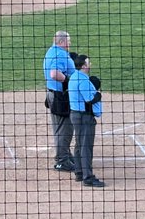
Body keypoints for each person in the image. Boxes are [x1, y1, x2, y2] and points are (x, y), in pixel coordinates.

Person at [67, 53, 104, 187]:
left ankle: (79, 172)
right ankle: (88, 177)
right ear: (83, 66)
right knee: (86, 147)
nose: (90, 65)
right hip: (84, 117)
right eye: (88, 63)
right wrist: (98, 95)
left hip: (76, 115)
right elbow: (90, 99)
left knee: (79, 144)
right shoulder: (83, 80)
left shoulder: (74, 77)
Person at [43, 31, 76, 172]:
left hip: (53, 94)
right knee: (66, 129)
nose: (70, 43)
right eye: (68, 41)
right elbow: (54, 73)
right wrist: (69, 81)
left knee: (59, 127)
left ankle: (65, 156)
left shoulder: (51, 51)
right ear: (62, 42)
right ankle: (63, 160)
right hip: (60, 96)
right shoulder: (59, 54)